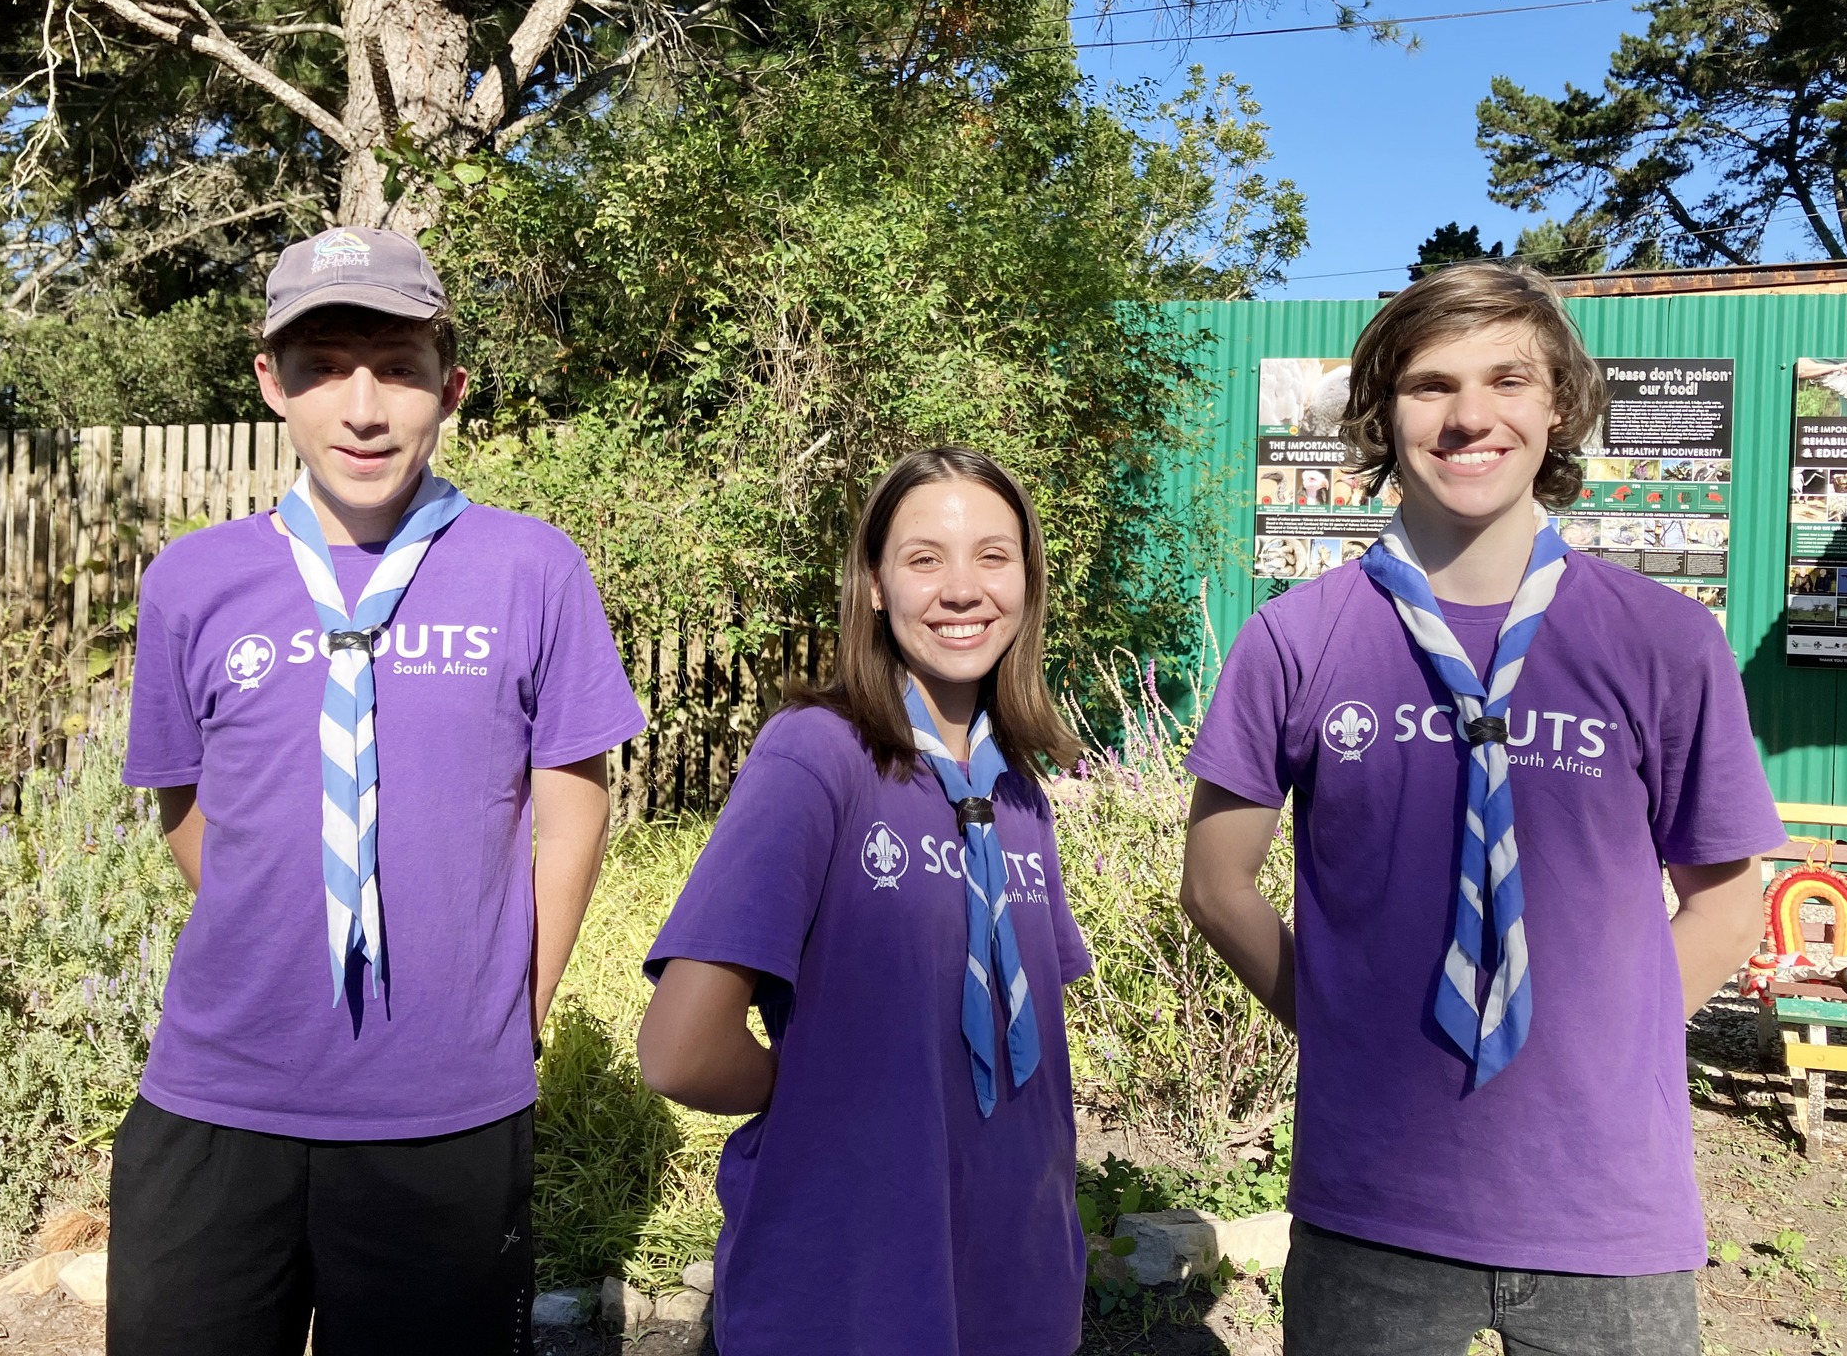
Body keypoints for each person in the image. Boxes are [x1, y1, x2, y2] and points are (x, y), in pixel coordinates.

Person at [1179, 261, 1774, 1356]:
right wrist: (1347, 1030)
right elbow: (1215, 887)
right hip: (1372, 1210)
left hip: (1608, 1216)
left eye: (1507, 379)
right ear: (1379, 413)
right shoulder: (1295, 640)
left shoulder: (1662, 642)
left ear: (1558, 406)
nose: (1468, 417)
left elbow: (1727, 905)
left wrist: (1605, 1048)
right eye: (1428, 385)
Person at [112, 226, 646, 1355]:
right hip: (218, 1098)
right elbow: (186, 803)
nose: (363, 407)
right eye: (323, 368)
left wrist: (518, 1008)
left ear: (449, 386)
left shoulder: (529, 567)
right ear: (271, 383)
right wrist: (277, 927)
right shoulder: (192, 583)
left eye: (396, 367)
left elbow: (572, 797)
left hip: (443, 1113)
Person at [636, 447, 1089, 1356]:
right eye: (925, 558)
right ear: (874, 585)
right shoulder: (816, 757)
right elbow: (680, 1051)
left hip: (1015, 1285)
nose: (962, 588)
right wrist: (822, 1093)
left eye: (993, 556)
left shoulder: (1017, 791)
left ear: (1030, 580)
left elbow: (1025, 1054)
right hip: (850, 1288)